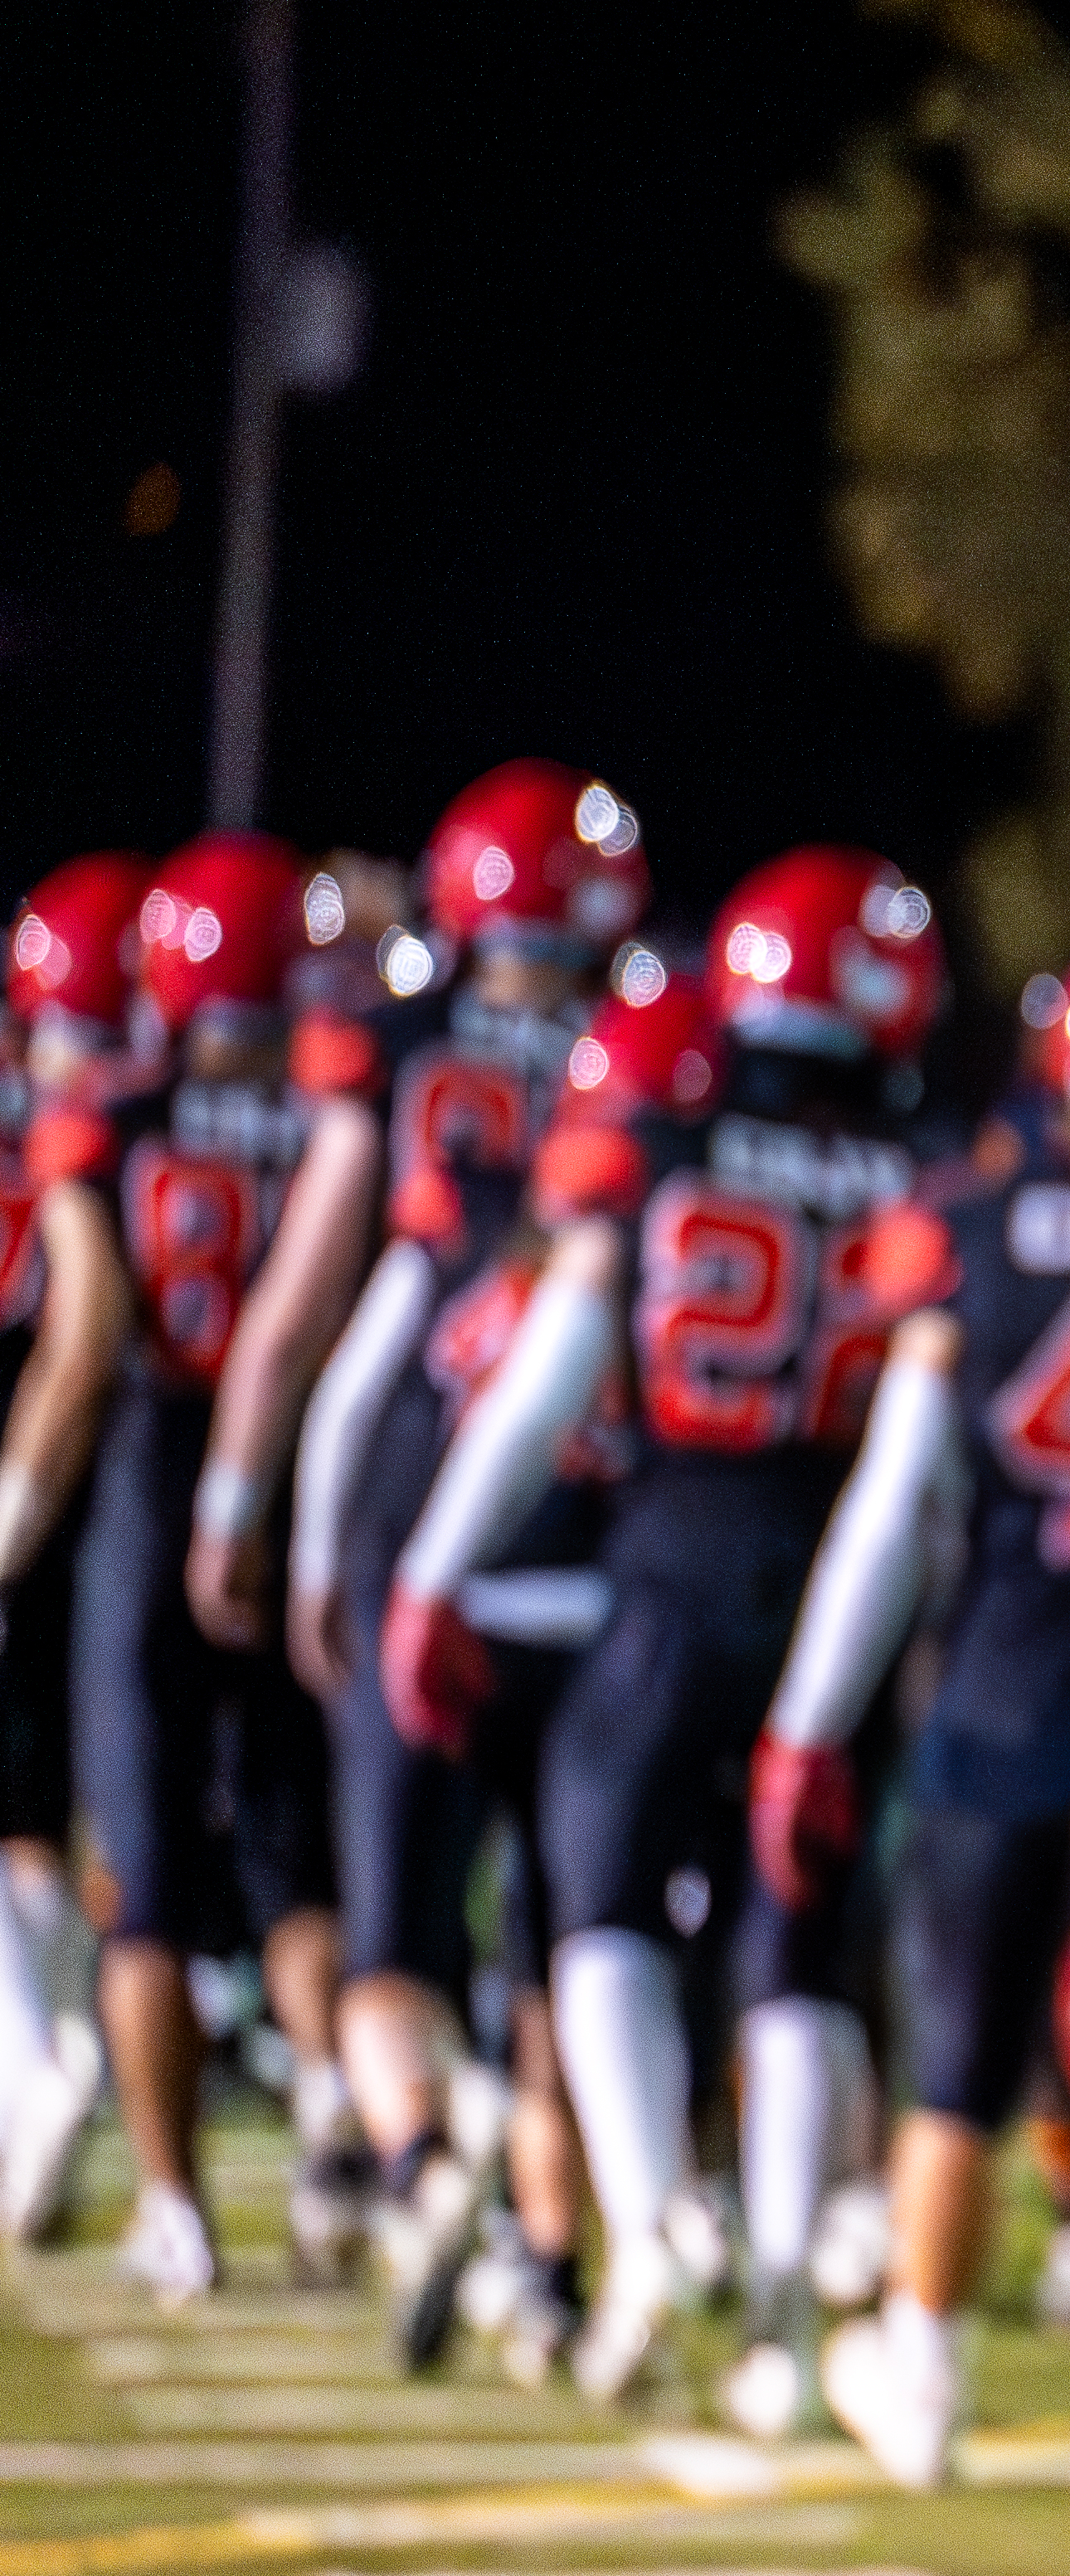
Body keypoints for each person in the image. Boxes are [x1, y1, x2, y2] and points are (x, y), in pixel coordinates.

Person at [387, 849, 944, 2413]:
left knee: (602, 1897)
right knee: (797, 1939)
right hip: (845, 1559)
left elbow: (553, 1368)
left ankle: (650, 2223)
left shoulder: (667, 1132)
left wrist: (434, 1567)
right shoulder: (929, 1167)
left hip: (675, 1545)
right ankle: (774, 2306)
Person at [738, 931, 1070, 2490]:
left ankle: (926, 2364)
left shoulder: (982, 1231)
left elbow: (894, 1504)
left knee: (963, 2056)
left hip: (1003, 1689)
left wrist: (812, 1711)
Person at [236, 760, 642, 2371]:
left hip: (425, 1507)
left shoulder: (410, 1068)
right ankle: (549, 2262)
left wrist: (274, 1521)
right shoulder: (649, 1070)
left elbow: (338, 1335)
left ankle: (418, 2160)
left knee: (392, 1930)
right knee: (554, 1925)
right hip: (599, 1526)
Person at [0, 832, 350, 2305]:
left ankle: (176, 2205)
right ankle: (344, 2114)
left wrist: (13, 1521)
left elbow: (82, 1349)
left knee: (142, 1872)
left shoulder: (109, 1121)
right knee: (294, 1863)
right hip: (293, 1496)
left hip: (151, 1499)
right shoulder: (344, 1114)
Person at [0, 854, 146, 2253]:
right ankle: (31, 2072)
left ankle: (33, 2068)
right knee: (32, 1813)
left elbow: (75, 1323)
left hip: (32, 1457)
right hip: (112, 1492)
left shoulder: (71, 1118)